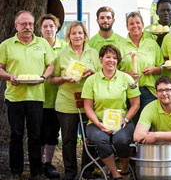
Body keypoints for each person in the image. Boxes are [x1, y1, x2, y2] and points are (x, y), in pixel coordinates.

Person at [0, 10, 55, 180]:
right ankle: (15, 172)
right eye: (23, 24)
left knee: (35, 136)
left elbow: (50, 65)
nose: (27, 27)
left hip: (36, 97)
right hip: (14, 97)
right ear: (16, 25)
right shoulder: (6, 45)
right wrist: (9, 77)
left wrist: (43, 77)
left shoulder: (43, 44)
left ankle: (36, 172)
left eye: (30, 24)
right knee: (16, 135)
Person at [50, 21, 101, 180]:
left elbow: (102, 76)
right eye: (73, 33)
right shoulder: (61, 54)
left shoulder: (93, 53)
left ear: (85, 35)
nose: (77, 36)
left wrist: (93, 73)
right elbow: (52, 80)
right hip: (66, 102)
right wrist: (64, 78)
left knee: (90, 139)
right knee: (68, 140)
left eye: (80, 33)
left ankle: (87, 172)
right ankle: (70, 172)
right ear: (68, 36)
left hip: (89, 103)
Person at [82, 45, 140, 180]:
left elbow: (136, 104)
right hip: (97, 122)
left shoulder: (127, 79)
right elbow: (88, 107)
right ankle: (115, 174)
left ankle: (124, 170)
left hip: (122, 122)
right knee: (100, 140)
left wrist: (125, 119)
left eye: (115, 58)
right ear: (101, 59)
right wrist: (98, 123)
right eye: (108, 57)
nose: (111, 60)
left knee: (122, 140)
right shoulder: (91, 80)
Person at [118, 11, 163, 123]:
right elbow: (113, 70)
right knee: (131, 124)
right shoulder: (119, 45)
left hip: (148, 90)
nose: (135, 26)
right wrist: (126, 74)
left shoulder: (152, 44)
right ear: (127, 27)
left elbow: (161, 67)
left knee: (148, 123)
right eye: (131, 23)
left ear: (143, 25)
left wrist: (154, 69)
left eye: (138, 22)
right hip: (127, 90)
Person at [37, 13, 67, 179]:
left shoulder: (64, 46)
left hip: (57, 97)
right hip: (37, 96)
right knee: (38, 133)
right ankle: (38, 163)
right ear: (40, 29)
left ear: (57, 27)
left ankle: (48, 163)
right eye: (45, 26)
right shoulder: (36, 45)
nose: (48, 29)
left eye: (51, 26)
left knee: (52, 133)